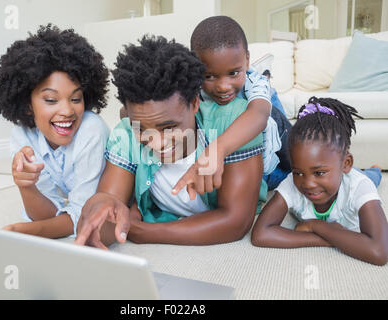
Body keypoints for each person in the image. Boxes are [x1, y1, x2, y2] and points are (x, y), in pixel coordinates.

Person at [74, 35, 267, 249]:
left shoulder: (231, 122)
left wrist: (140, 231)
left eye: (169, 128)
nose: (157, 144)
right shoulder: (126, 134)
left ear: (194, 103)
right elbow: (107, 221)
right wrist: (101, 206)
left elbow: (235, 223)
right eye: (143, 129)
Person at [0, 24, 110, 238]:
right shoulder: (23, 136)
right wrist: (26, 186)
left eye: (76, 99)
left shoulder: (92, 130)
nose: (67, 111)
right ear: (27, 104)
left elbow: (84, 217)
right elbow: (47, 214)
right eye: (51, 100)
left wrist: (21, 231)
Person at [251, 97, 388, 266]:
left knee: (371, 178)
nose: (308, 183)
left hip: (355, 177)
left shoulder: (358, 186)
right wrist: (327, 237)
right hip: (340, 175)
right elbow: (260, 235)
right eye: (298, 172)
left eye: (319, 172)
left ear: (346, 163)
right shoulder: (292, 183)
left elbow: (379, 251)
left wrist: (316, 226)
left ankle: (375, 170)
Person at [171, 15, 291, 197]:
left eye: (233, 73)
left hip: (271, 164)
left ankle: (268, 82)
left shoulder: (252, 81)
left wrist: (216, 150)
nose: (223, 86)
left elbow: (258, 115)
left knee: (299, 169)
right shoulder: (193, 88)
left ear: (247, 60)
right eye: (209, 76)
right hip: (239, 166)